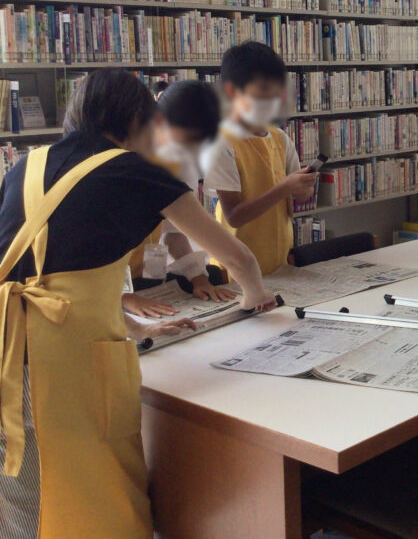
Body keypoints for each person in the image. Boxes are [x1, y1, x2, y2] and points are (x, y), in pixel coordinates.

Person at [0, 69, 275, 539]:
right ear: (134, 118)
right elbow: (235, 256)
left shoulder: (26, 165)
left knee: (23, 483)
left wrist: (134, 326)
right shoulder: (134, 171)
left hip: (8, 347)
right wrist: (256, 297)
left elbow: (56, 275)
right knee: (99, 484)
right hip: (61, 365)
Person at [122, 80, 237, 319]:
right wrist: (121, 295)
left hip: (137, 282)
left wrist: (198, 277)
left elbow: (175, 232)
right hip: (98, 288)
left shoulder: (182, 164)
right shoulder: (123, 160)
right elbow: (91, 246)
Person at [202, 41, 317, 275]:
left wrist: (303, 187)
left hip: (278, 263)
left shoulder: (280, 138)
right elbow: (234, 216)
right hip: (235, 271)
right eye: (263, 90)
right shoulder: (221, 143)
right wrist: (285, 187)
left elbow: (299, 196)